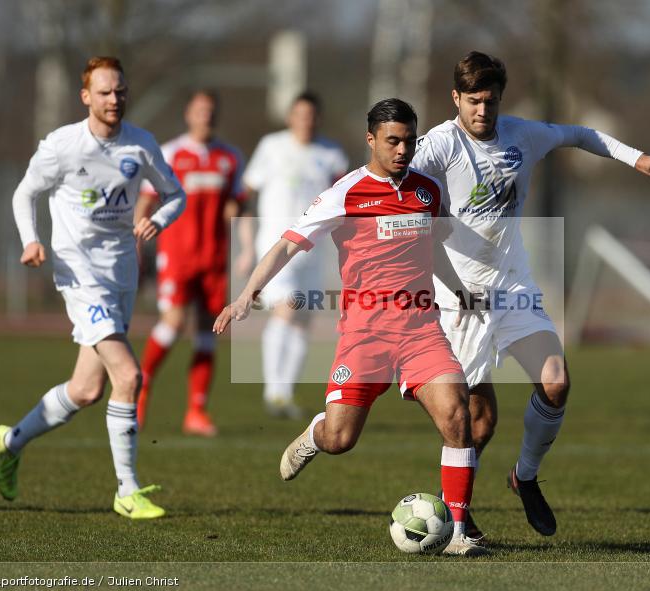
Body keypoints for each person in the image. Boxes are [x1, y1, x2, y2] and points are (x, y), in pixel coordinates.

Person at [411, 51, 650, 540]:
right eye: (473, 101)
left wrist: (636, 158)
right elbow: (393, 174)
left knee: (555, 382)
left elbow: (581, 134)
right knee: (477, 423)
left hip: (513, 286)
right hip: (459, 299)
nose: (483, 111)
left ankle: (524, 477)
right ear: (455, 99)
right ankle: (454, 512)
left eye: (490, 101)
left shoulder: (522, 135)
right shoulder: (439, 145)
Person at [215, 98, 485, 556]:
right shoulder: (345, 193)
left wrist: (459, 291)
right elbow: (287, 245)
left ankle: (457, 532)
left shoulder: (427, 191)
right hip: (365, 335)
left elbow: (433, 248)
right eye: (393, 141)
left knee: (458, 415)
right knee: (340, 439)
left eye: (409, 141)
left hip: (421, 330)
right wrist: (247, 294)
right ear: (371, 140)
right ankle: (315, 433)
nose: (403, 150)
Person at [0, 56, 186, 519]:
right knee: (129, 376)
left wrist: (157, 219)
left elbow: (175, 194)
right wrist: (31, 240)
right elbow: (25, 192)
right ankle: (127, 491)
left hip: (122, 273)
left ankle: (10, 441)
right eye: (104, 92)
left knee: (85, 389)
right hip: (78, 273)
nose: (114, 99)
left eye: (120, 91)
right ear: (86, 97)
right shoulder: (63, 145)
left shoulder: (141, 144)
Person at [135, 90, 245, 436]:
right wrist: (135, 241)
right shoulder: (170, 153)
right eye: (200, 110)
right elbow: (146, 201)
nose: (205, 116)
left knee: (208, 332)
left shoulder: (230, 157)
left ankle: (196, 411)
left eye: (210, 111)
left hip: (214, 258)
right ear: (188, 114)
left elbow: (236, 205)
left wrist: (244, 246)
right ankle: (140, 389)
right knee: (173, 323)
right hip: (178, 254)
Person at [236, 92, 348, 419]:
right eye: (300, 114)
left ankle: (285, 394)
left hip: (314, 251)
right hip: (277, 246)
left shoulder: (331, 154)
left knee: (303, 320)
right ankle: (275, 392)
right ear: (290, 117)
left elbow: (344, 202)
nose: (305, 121)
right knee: (287, 308)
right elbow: (245, 195)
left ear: (318, 118)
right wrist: (246, 245)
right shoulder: (272, 147)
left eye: (311, 115)